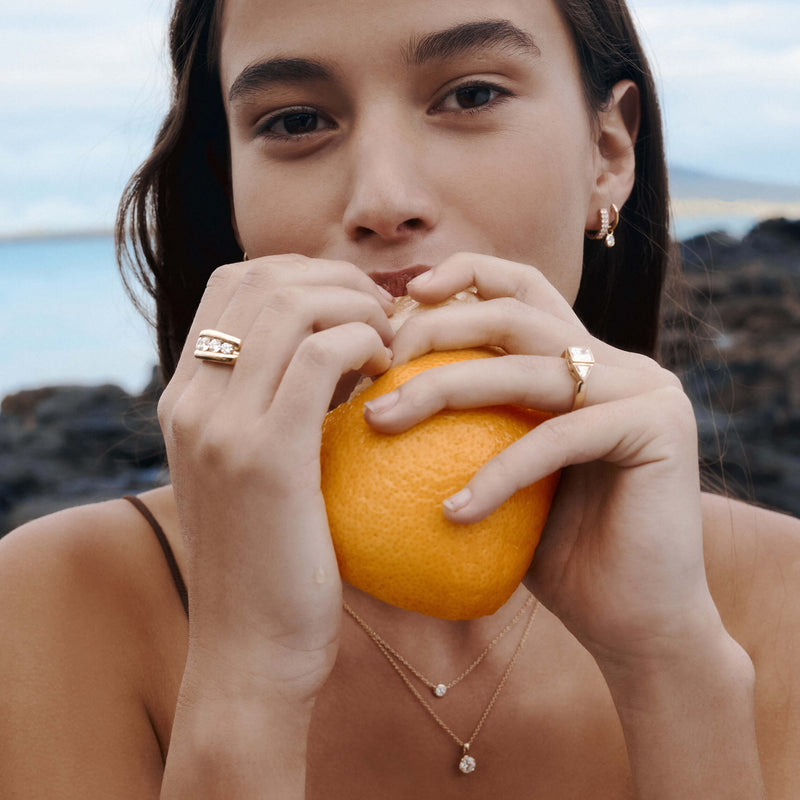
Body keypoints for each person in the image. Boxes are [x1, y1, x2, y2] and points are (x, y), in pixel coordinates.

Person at [1, 0, 798, 796]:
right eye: (295, 120)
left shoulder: (776, 592)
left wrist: (673, 666)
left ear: (608, 148)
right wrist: (247, 676)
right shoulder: (53, 606)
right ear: (232, 187)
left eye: (473, 95)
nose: (384, 200)